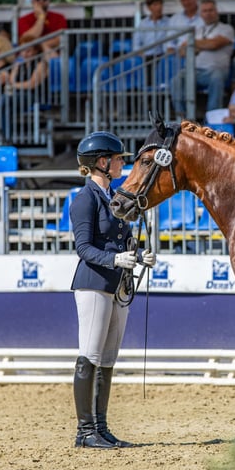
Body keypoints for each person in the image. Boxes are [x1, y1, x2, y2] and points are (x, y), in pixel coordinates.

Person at [70, 131, 156, 448]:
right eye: (118, 158)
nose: (122, 163)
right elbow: (84, 249)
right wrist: (115, 258)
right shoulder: (85, 199)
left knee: (107, 359)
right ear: (102, 162)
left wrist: (136, 254)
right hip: (93, 283)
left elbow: (120, 238)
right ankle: (85, 431)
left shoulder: (114, 197)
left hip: (117, 284)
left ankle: (101, 427)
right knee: (90, 355)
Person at [171, 0, 235, 115]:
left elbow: (215, 44)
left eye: (211, 10)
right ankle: (183, 116)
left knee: (217, 77)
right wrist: (203, 44)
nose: (208, 13)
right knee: (177, 79)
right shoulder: (197, 30)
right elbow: (182, 50)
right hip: (195, 71)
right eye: (205, 11)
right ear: (201, 14)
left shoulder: (226, 28)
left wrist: (195, 44)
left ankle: (211, 116)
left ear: (216, 11)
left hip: (215, 70)